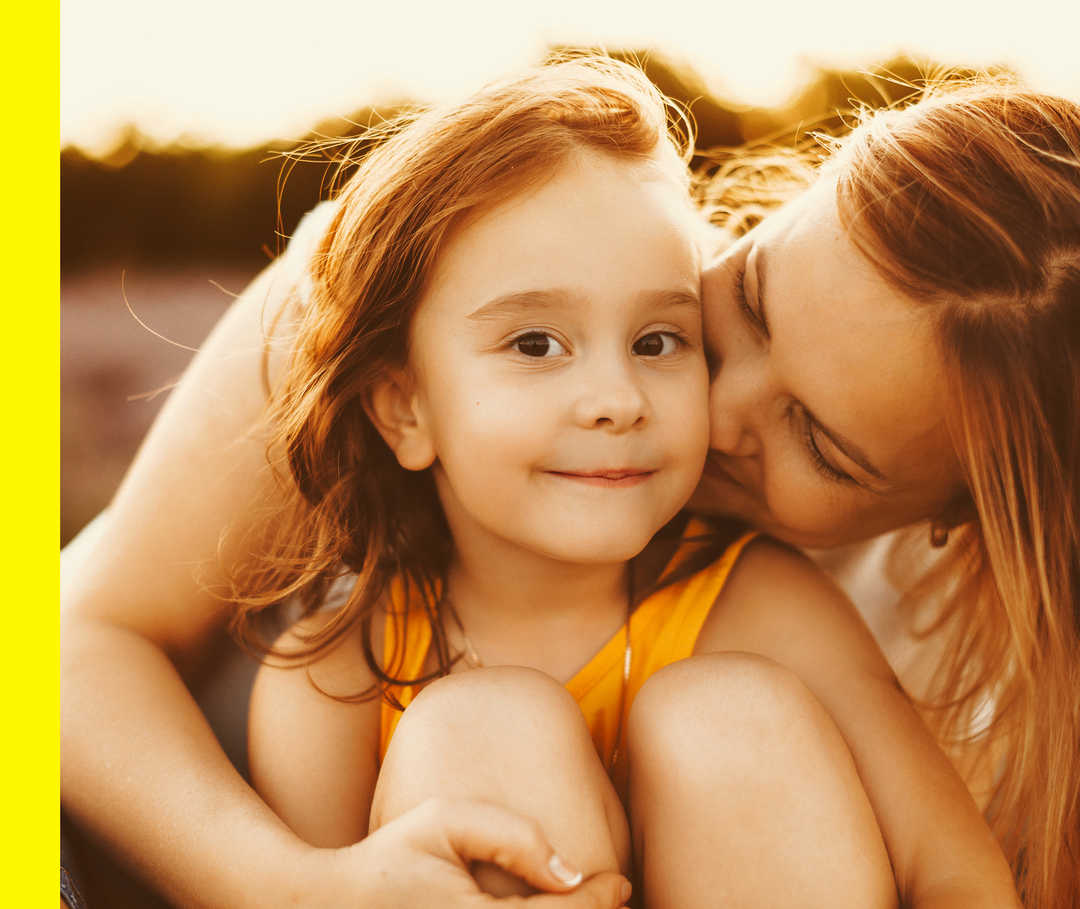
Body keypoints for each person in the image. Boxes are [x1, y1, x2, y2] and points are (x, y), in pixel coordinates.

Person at [56, 61, 1072, 909]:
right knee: (477, 723)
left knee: (729, 716)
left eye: (819, 439)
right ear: (399, 403)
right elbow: (57, 649)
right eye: (749, 301)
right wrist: (295, 886)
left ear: (954, 516)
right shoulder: (412, 279)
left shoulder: (783, 614)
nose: (699, 407)